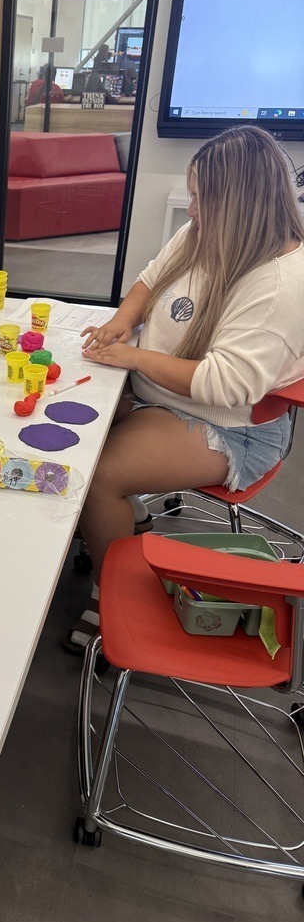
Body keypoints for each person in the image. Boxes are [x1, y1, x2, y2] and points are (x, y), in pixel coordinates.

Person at [65, 126, 304, 654]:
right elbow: (150, 279)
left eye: (201, 198)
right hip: (161, 392)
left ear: (239, 204)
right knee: (68, 415)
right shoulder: (209, 231)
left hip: (229, 425)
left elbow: (225, 384)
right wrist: (122, 323)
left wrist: (130, 356)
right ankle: (130, 519)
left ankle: (113, 595)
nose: (191, 210)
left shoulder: (282, 285)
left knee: (99, 474)